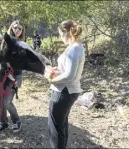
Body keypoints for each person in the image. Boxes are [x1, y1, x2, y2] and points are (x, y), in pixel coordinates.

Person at [44, 20, 85, 148]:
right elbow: (68, 70)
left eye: (61, 34)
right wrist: (58, 69)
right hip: (67, 91)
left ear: (67, 32)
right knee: (61, 125)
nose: (60, 37)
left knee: (55, 127)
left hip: (63, 92)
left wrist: (52, 80)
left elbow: (69, 76)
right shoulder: (75, 46)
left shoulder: (74, 49)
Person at [0, 20, 31, 133]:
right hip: (2, 75)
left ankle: (16, 121)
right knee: (0, 100)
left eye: (20, 28)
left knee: (7, 101)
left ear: (22, 31)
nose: (17, 30)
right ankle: (3, 122)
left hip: (15, 76)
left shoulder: (23, 45)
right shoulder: (4, 42)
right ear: (11, 28)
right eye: (15, 27)